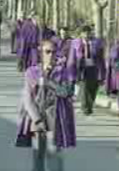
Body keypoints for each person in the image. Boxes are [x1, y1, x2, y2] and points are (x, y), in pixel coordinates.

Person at [15, 40, 76, 171]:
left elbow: (66, 92)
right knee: (38, 155)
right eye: (47, 52)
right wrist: (36, 119)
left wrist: (49, 82)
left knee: (54, 154)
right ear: (41, 53)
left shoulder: (62, 72)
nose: (51, 55)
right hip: (37, 118)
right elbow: (27, 98)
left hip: (55, 118)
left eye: (54, 52)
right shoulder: (32, 72)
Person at [75, 25, 106, 116]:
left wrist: (103, 72)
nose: (87, 35)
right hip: (82, 68)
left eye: (88, 32)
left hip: (94, 68)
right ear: (81, 34)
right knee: (84, 88)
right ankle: (85, 107)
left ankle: (90, 104)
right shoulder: (76, 43)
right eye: (84, 33)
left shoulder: (97, 42)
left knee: (93, 88)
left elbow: (101, 58)